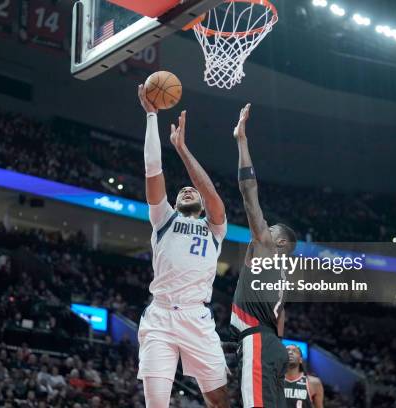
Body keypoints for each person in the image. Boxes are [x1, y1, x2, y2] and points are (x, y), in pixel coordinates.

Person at [136, 84, 229, 408]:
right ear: (174, 203)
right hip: (160, 315)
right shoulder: (164, 219)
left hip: (196, 317)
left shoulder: (214, 225)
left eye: (193, 191)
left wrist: (182, 148)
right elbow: (153, 170)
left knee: (219, 401)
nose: (188, 190)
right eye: (182, 191)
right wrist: (151, 117)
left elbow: (212, 193)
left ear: (201, 205)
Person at [231, 103, 297, 407]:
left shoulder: (268, 250)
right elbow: (281, 317)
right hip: (272, 344)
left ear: (280, 242)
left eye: (271, 229)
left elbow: (249, 193)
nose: (264, 227)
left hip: (258, 342)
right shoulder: (283, 273)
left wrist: (242, 140)